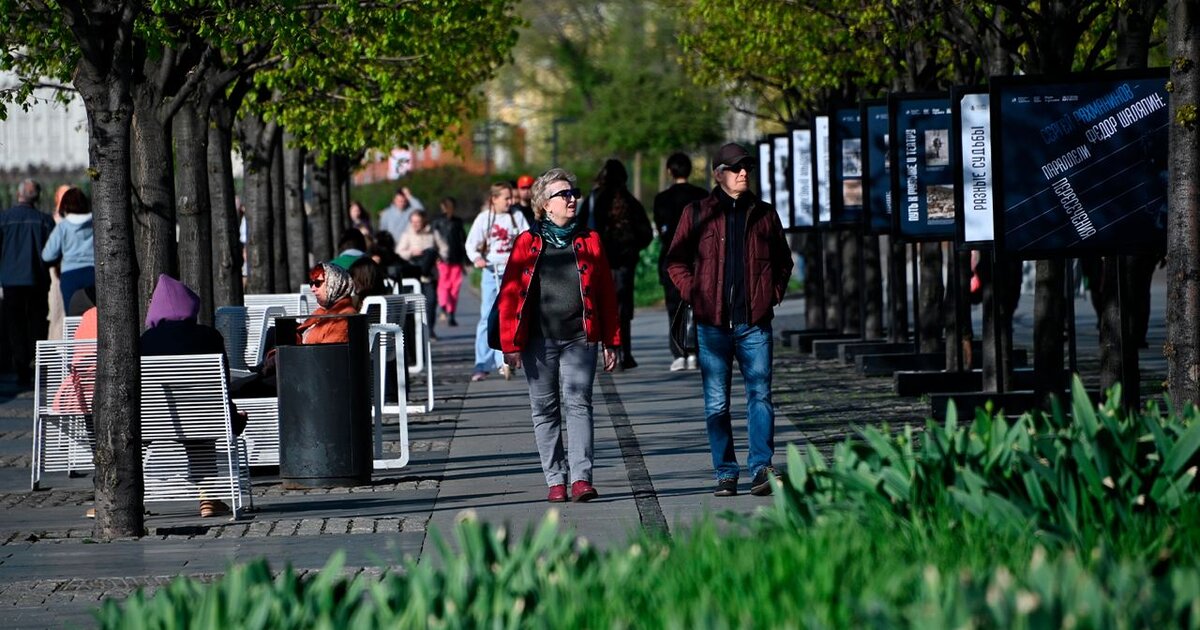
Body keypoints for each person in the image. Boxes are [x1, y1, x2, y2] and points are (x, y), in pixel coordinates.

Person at [666, 142, 793, 498]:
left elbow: (783, 261)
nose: (743, 173)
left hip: (754, 323)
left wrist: (772, 293)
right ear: (718, 173)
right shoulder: (697, 213)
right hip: (713, 325)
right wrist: (695, 292)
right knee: (717, 403)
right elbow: (675, 260)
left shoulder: (764, 214)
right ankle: (725, 472)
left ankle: (761, 467)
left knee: (760, 396)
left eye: (746, 168)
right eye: (736, 168)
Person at [497, 168, 619, 503]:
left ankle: (581, 479)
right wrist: (509, 345)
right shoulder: (527, 243)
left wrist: (612, 340)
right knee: (545, 409)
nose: (571, 199)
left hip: (580, 337)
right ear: (544, 205)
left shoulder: (590, 240)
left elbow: (606, 293)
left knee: (579, 403)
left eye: (573, 193)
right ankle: (555, 479)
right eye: (563, 194)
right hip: (538, 341)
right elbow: (509, 295)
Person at [140, 274, 246, 518]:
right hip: (208, 421)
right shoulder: (210, 336)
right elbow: (223, 386)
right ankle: (208, 497)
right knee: (203, 421)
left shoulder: (145, 341)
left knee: (186, 419)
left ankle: (134, 498)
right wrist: (233, 416)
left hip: (153, 424)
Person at [578, 159, 653, 370]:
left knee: (600, 306)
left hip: (598, 261)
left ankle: (605, 349)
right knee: (622, 308)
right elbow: (646, 233)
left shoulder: (593, 200)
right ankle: (624, 353)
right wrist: (632, 248)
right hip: (624, 262)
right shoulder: (630, 201)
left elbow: (580, 227)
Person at [465, 182, 530, 381]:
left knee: (511, 316)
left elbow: (528, 240)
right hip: (491, 272)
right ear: (494, 199)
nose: (510, 201)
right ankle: (482, 364)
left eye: (511, 198)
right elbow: (471, 244)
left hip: (512, 272)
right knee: (488, 317)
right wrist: (477, 258)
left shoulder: (517, 216)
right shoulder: (484, 218)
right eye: (506, 198)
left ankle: (506, 358)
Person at [653, 153, 707, 372]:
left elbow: (661, 228)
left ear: (669, 171)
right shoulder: (702, 195)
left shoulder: (662, 199)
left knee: (674, 306)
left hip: (672, 257)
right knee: (700, 305)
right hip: (700, 257)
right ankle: (696, 351)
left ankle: (679, 353)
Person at [0, 179, 55, 388]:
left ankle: (21, 369)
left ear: (18, 194)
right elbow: (52, 253)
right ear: (37, 197)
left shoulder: (4, 219)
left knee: (15, 326)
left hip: (11, 280)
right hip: (37, 280)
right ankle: (38, 367)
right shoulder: (45, 221)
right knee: (37, 325)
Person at [41, 187, 95, 313]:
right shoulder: (95, 223)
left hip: (70, 275)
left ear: (65, 206)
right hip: (93, 272)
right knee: (94, 314)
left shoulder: (63, 227)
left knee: (73, 315)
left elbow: (47, 255)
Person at [395, 210, 443, 339]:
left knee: (431, 302)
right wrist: (411, 252)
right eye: (413, 222)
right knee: (413, 305)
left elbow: (444, 248)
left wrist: (439, 257)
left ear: (424, 221)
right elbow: (399, 252)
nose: (416, 224)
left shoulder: (433, 233)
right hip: (413, 273)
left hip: (429, 275)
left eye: (418, 222)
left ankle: (430, 330)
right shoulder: (407, 235)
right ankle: (415, 333)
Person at [298, 262, 358, 345]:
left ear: (333, 284)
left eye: (317, 283)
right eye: (311, 284)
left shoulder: (344, 318)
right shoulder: (322, 311)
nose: (313, 289)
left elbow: (327, 351)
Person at [431, 196, 468, 326]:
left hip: (455, 258)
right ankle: (444, 307)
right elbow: (434, 241)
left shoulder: (457, 222)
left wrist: (465, 259)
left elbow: (463, 240)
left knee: (453, 287)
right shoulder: (437, 222)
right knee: (445, 285)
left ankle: (450, 312)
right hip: (443, 258)